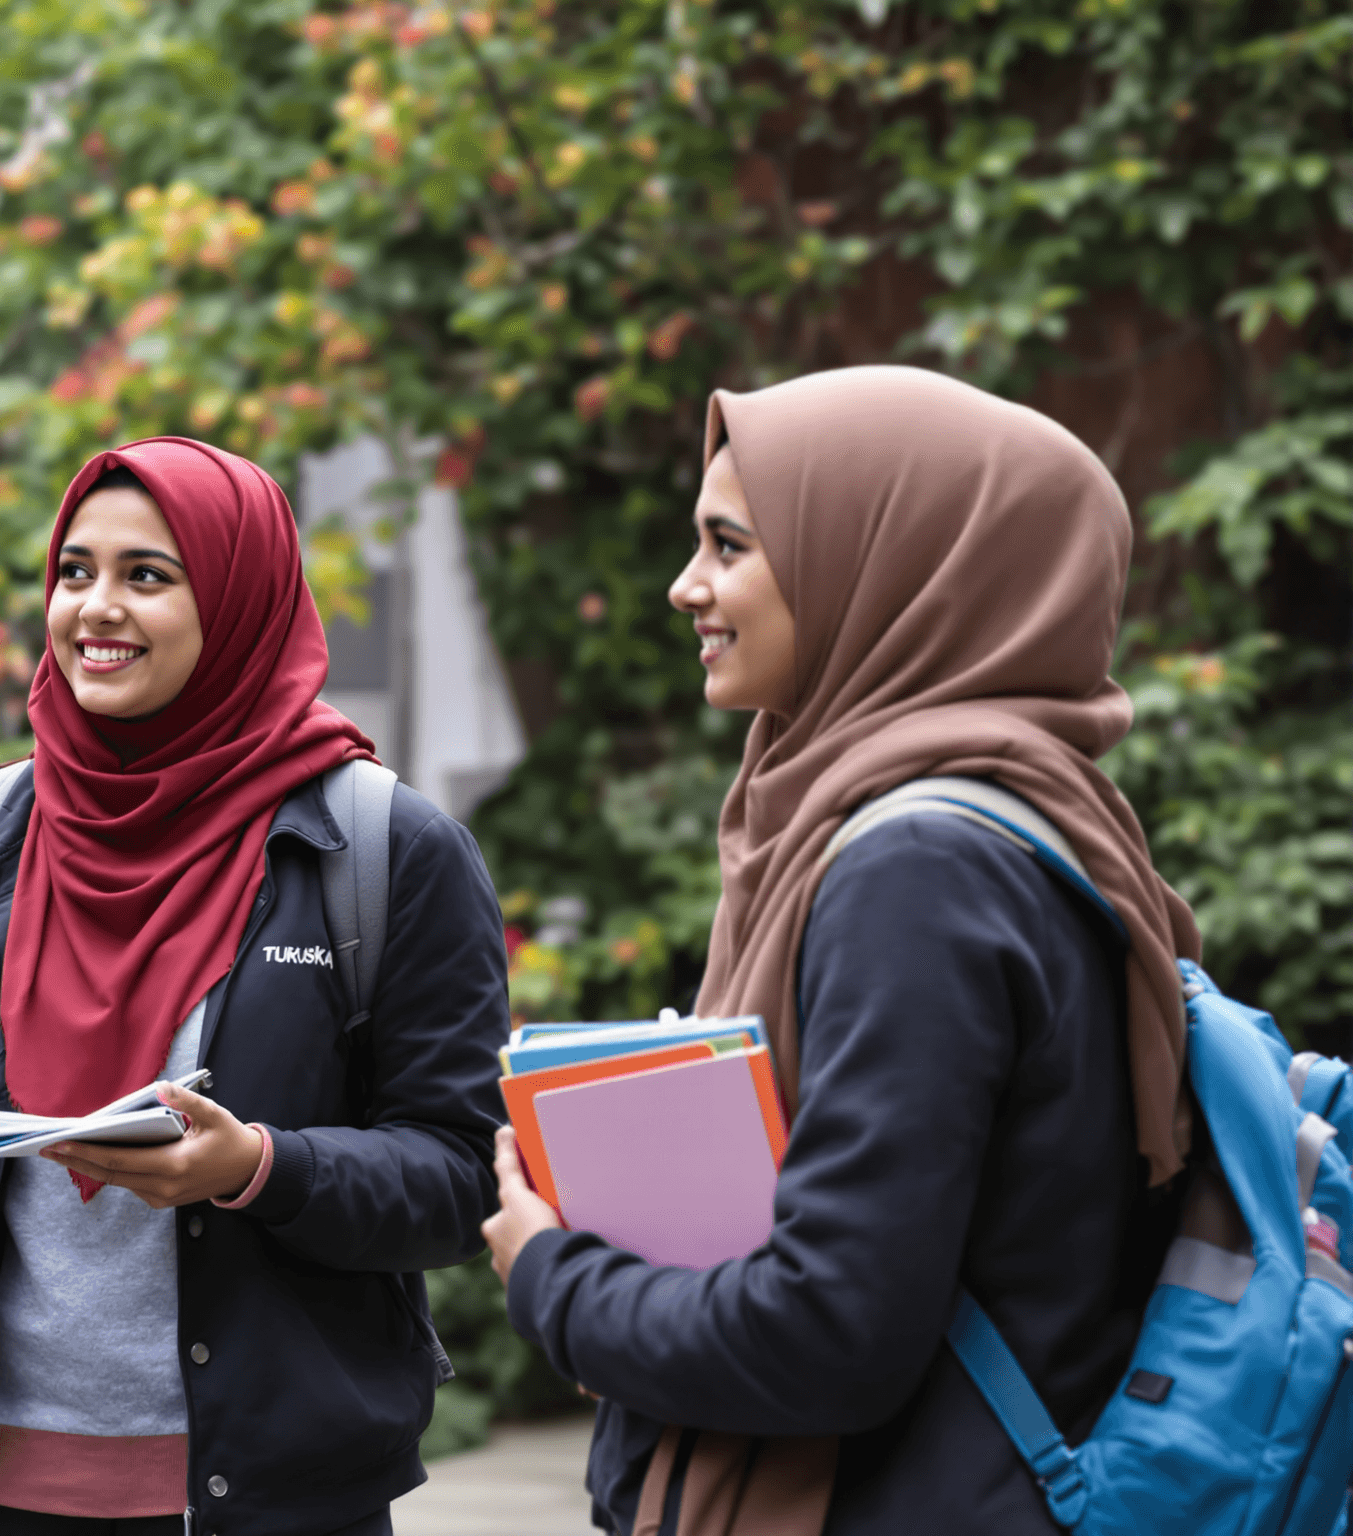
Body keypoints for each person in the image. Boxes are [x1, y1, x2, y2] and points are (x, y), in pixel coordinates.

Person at [481, 366, 1199, 1534]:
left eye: (729, 545)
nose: (684, 588)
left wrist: (548, 1275)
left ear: (884, 562)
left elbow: (828, 1335)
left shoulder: (918, 870)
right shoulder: (1025, 821)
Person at [0, 437, 512, 1536]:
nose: (95, 608)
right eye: (74, 571)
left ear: (238, 601)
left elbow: (456, 1173)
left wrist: (258, 1168)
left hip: (268, 1501)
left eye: (147, 575)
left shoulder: (381, 849)